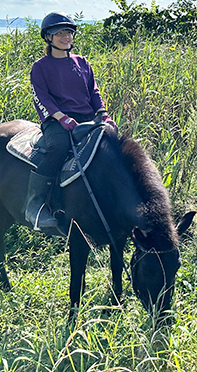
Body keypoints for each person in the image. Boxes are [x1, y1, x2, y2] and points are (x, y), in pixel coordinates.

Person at [26, 12, 117, 231]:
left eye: (68, 32)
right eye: (59, 33)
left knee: (115, 144)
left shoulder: (82, 62)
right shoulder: (41, 66)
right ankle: (35, 205)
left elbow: (93, 92)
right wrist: (61, 117)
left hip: (87, 118)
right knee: (58, 148)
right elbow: (41, 97)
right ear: (48, 37)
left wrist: (103, 114)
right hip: (57, 121)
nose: (66, 37)